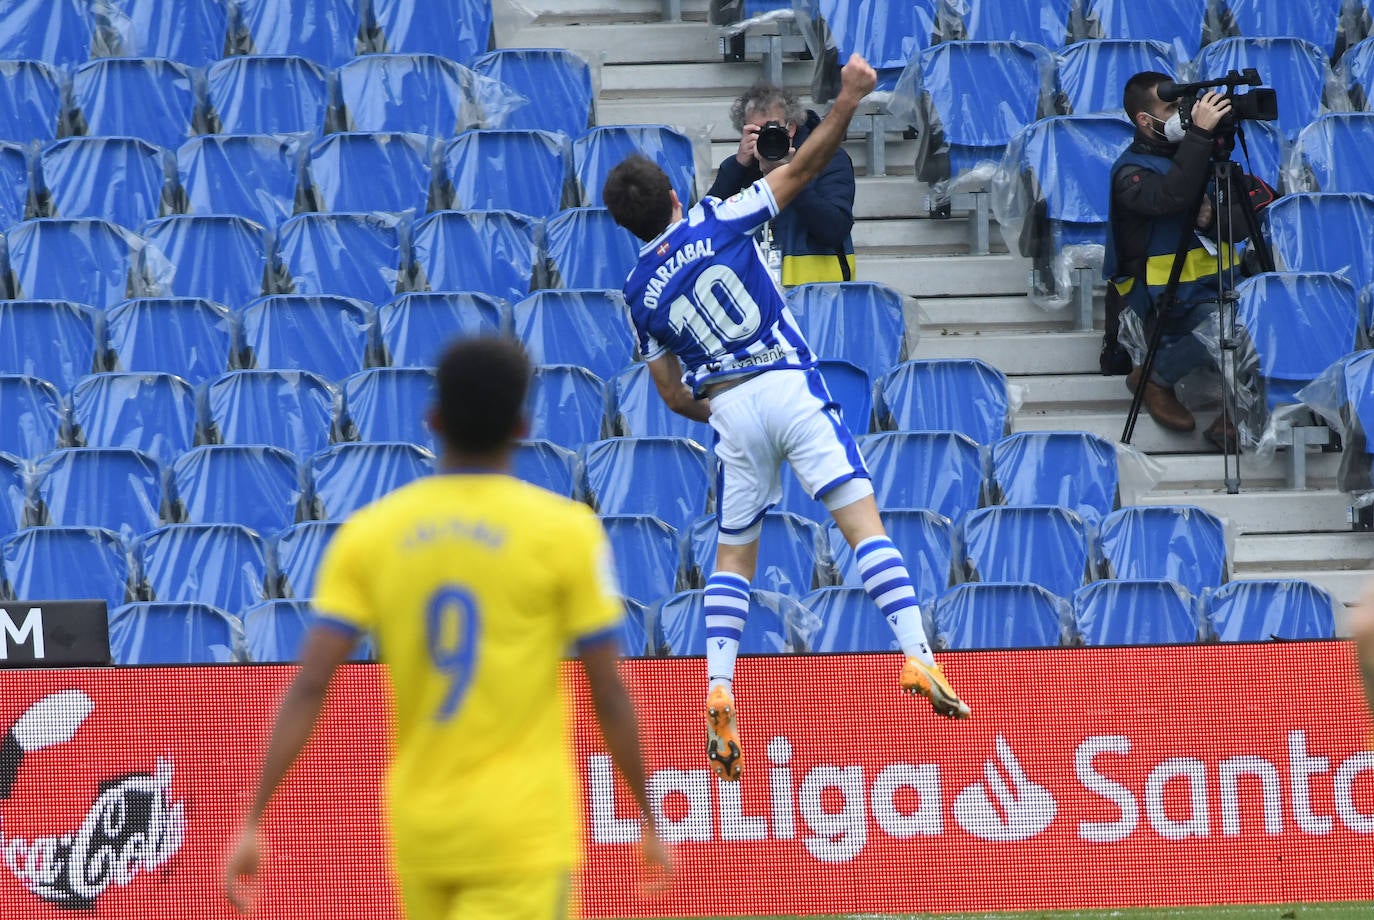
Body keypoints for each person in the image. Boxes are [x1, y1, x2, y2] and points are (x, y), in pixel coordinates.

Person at [602, 54, 970, 786]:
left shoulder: (638, 292)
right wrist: (847, 100)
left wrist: (726, 409)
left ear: (622, 223)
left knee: (734, 556)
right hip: (788, 385)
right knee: (861, 524)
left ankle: (720, 686)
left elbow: (671, 395)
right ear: (676, 195)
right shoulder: (718, 217)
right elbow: (802, 173)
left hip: (730, 407)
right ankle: (919, 656)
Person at [224, 338, 669, 918]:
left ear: (433, 420)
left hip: (422, 832)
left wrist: (253, 817)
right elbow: (607, 690)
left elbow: (310, 685)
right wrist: (648, 818)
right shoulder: (566, 533)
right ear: (522, 427)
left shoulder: (371, 534)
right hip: (522, 833)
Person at [1103, 71, 1252, 451]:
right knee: (1231, 325)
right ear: (1144, 120)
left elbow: (1243, 222)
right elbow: (1170, 197)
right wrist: (1200, 136)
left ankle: (1234, 416)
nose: (1182, 113)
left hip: (1216, 290)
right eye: (1170, 107)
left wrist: (1213, 217)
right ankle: (1155, 376)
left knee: (1275, 311)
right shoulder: (1130, 172)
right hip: (1165, 305)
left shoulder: (1201, 156)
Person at [705, 80, 856, 287]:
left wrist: (789, 176)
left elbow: (834, 229)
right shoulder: (739, 169)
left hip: (820, 299)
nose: (768, 137)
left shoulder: (828, 159)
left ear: (791, 128)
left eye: (773, 128)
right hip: (758, 303)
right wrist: (737, 168)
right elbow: (705, 230)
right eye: (757, 131)